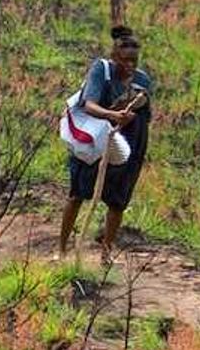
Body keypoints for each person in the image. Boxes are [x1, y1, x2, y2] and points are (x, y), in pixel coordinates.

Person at [57, 25, 155, 263]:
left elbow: (146, 112)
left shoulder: (143, 80)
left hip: (129, 142)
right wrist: (113, 116)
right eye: (125, 60)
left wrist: (132, 115)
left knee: (118, 200)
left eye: (134, 60)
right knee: (78, 193)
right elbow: (89, 104)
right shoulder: (101, 70)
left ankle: (106, 252)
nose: (130, 66)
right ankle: (62, 250)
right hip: (97, 138)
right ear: (114, 57)